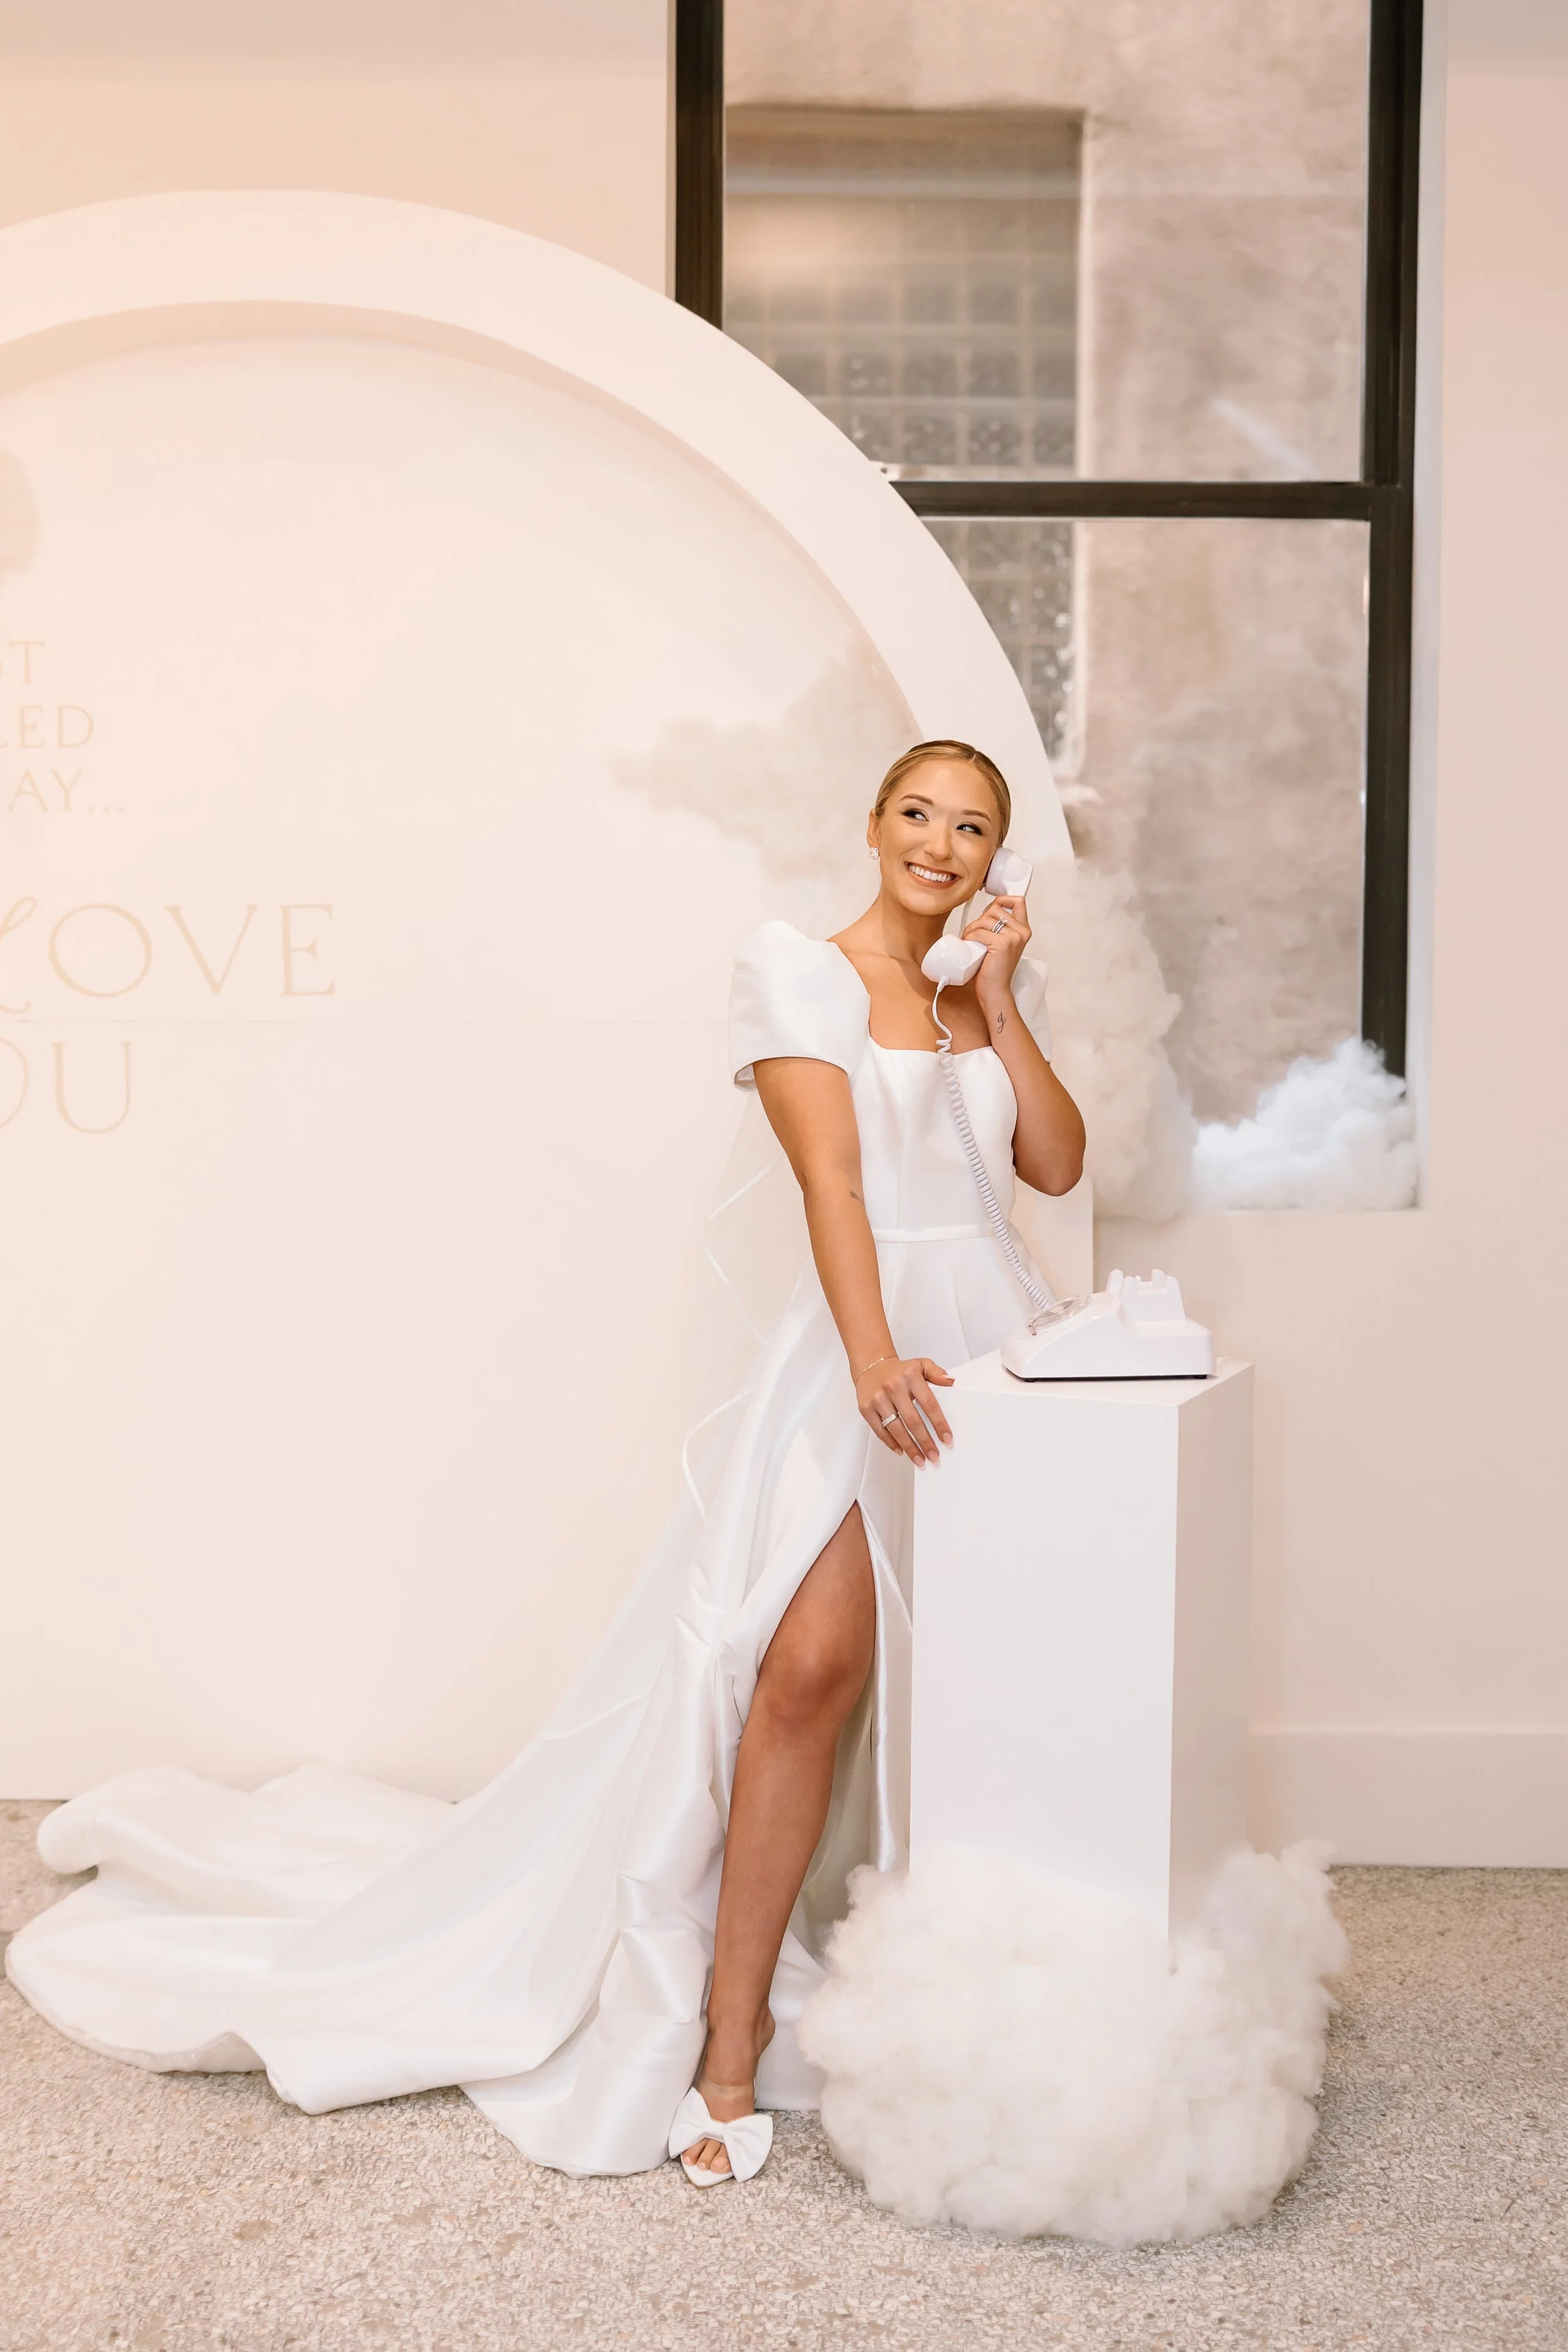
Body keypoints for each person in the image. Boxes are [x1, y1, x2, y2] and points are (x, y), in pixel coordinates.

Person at [8, 739, 1084, 2188]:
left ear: (996, 858)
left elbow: (1058, 1167)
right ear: (871, 822)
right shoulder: (798, 971)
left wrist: (997, 1002)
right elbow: (831, 1178)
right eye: (916, 815)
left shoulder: (969, 1002)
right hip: (866, 1351)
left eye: (971, 828)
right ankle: (722, 2039)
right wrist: (872, 1354)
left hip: (995, 1357)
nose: (939, 847)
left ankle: (967, 1995)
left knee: (985, 1692)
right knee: (807, 1669)